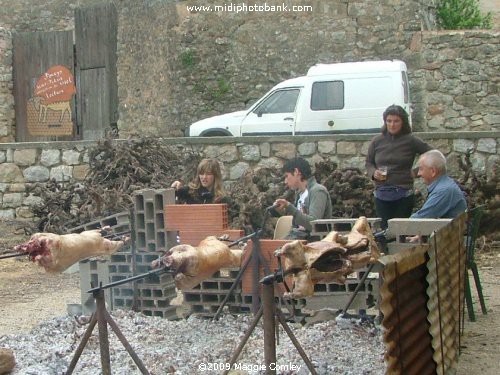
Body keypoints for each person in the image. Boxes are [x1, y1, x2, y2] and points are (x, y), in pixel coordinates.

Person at [365, 105, 432, 229]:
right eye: (389, 121)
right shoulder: (377, 141)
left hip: (403, 194)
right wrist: (374, 173)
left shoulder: (411, 141)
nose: (392, 125)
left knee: (399, 231)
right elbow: (369, 162)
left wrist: (416, 172)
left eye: (396, 121)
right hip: (381, 194)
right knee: (384, 233)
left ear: (403, 122)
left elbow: (433, 155)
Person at [272, 157, 332, 240]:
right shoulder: (300, 194)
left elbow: (314, 224)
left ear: (296, 172)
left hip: (314, 245)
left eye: (287, 176)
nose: (285, 181)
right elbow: (297, 226)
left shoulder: (318, 191)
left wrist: (289, 206)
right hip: (298, 240)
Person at [410, 150, 467, 219]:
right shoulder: (444, 185)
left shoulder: (444, 190)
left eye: (421, 169)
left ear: (433, 171)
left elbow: (419, 219)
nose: (418, 173)